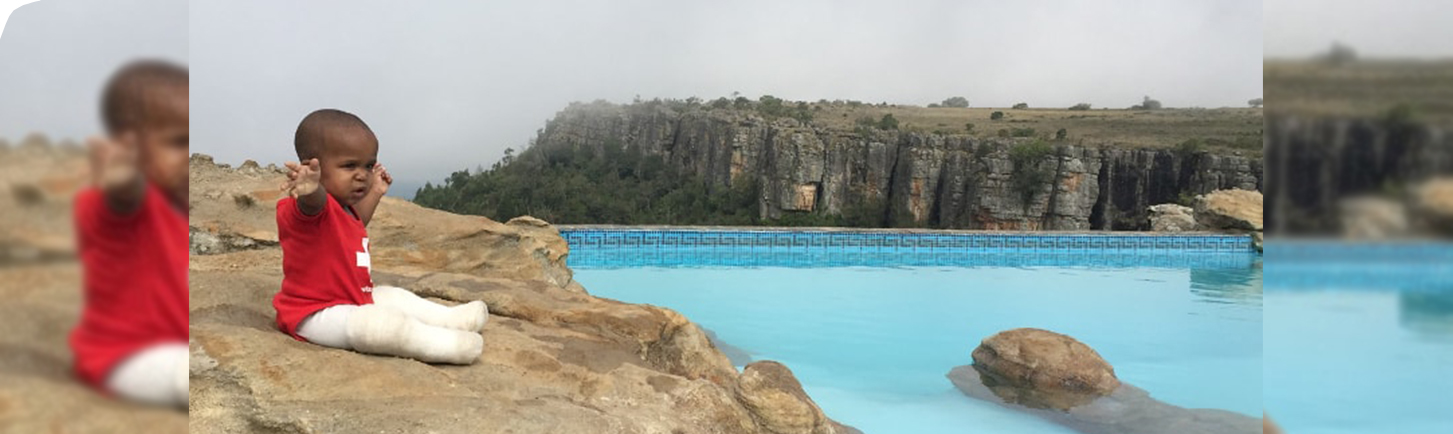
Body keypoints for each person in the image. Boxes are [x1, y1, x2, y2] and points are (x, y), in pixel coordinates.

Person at [274, 109, 485, 364]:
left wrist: (375, 192)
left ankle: (452, 320)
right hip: (314, 312)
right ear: (312, 166)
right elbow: (313, 206)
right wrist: (311, 189)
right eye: (349, 165)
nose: (362, 174)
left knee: (394, 296)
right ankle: (445, 345)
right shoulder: (306, 207)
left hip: (353, 297)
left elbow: (355, 223)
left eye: (368, 165)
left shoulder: (344, 207)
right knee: (377, 327)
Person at [70, 59, 190, 408]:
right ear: (129, 146)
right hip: (124, 356)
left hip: (172, 346)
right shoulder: (111, 202)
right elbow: (123, 200)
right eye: (178, 142)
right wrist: (123, 181)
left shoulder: (176, 207)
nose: (189, 155)